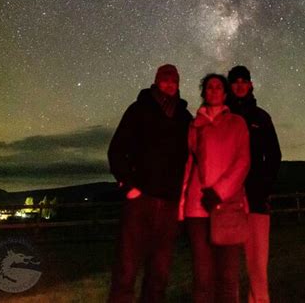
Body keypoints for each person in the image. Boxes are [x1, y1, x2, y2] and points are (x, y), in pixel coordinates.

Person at [107, 64, 192, 303]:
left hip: (169, 203)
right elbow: (117, 150)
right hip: (140, 199)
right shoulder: (138, 110)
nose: (169, 84)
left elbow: (192, 155)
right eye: (165, 79)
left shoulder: (184, 117)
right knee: (127, 266)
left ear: (178, 83)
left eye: (173, 80)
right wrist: (128, 185)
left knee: (160, 272)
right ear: (156, 81)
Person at [181, 73, 250, 303]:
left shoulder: (237, 123)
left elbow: (243, 161)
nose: (213, 90)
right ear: (203, 92)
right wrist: (182, 206)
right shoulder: (194, 126)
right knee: (202, 279)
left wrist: (219, 191)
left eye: (218, 87)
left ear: (225, 92)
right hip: (197, 208)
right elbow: (189, 164)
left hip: (227, 206)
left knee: (228, 277)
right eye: (209, 87)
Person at [227, 65, 282, 303]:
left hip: (256, 199)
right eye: (235, 81)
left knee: (257, 266)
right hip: (227, 200)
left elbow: (274, 155)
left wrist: (264, 187)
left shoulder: (261, 117)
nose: (239, 84)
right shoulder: (221, 116)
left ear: (250, 85)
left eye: (243, 80)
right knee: (228, 267)